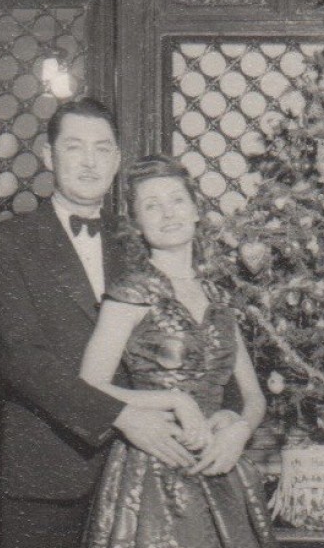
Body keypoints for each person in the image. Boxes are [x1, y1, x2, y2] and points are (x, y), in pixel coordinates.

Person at [0, 99, 199, 548]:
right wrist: (122, 416)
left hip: (143, 467)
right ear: (48, 156)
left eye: (102, 149)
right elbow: (21, 358)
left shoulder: (140, 239)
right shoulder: (8, 242)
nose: (89, 161)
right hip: (50, 475)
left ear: (116, 160)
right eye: (75, 147)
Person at [79, 154, 277, 548]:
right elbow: (89, 385)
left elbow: (253, 397)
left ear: (196, 211)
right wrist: (175, 400)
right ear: (137, 223)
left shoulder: (221, 297)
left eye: (176, 200)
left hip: (220, 464)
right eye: (152, 205)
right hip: (154, 469)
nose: (168, 213)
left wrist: (239, 431)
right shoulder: (130, 293)